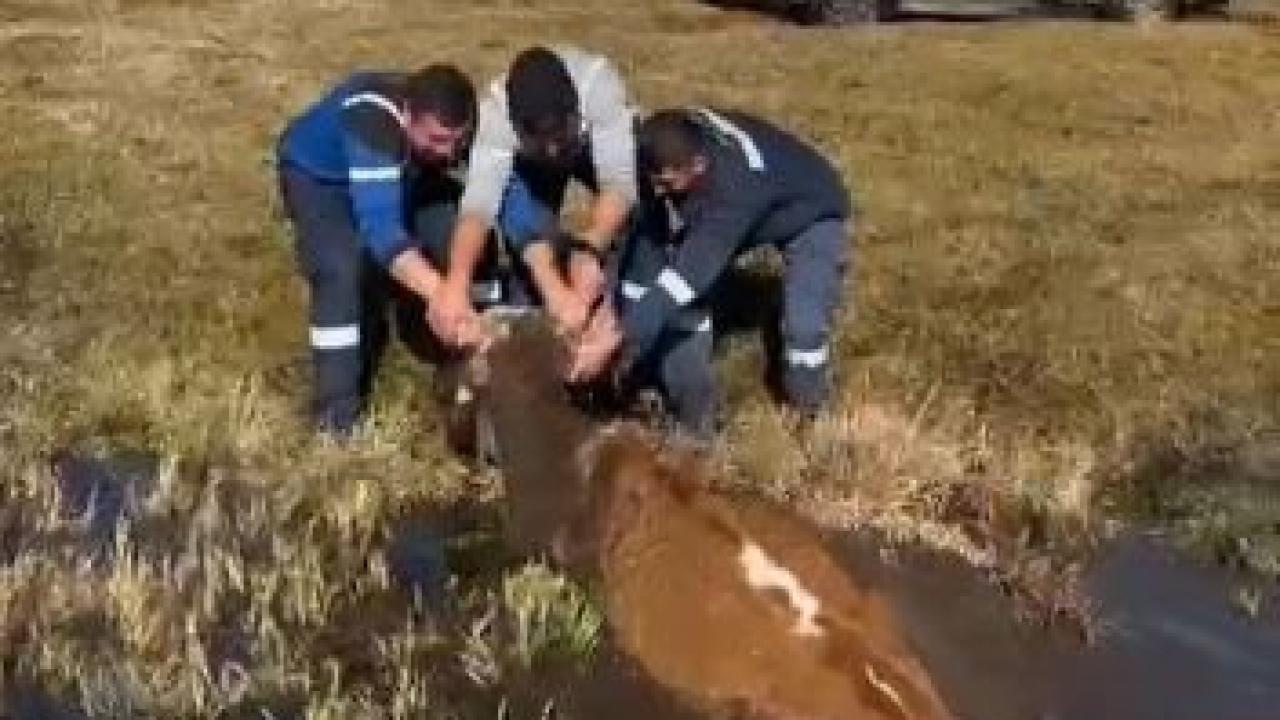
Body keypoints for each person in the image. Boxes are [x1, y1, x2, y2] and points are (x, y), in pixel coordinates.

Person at [570, 107, 854, 439]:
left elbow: (684, 281)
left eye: (668, 183)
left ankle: (811, 415)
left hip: (811, 213)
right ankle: (642, 377)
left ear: (698, 166)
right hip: (748, 194)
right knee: (647, 272)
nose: (659, 192)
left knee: (803, 326)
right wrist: (612, 314)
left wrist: (616, 339)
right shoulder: (664, 147)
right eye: (654, 180)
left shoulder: (737, 192)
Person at [276, 63, 478, 433]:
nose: (449, 153)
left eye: (457, 142)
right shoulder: (370, 120)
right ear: (407, 115)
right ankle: (335, 419)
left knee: (458, 234)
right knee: (340, 269)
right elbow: (383, 233)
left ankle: (456, 367)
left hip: (403, 170)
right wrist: (442, 293)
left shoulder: (441, 130)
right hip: (320, 180)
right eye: (436, 140)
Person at [428, 45, 639, 349]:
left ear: (574, 110)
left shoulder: (599, 87)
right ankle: (535, 312)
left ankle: (619, 305)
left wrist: (590, 248)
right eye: (539, 137)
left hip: (591, 149)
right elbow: (478, 209)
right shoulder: (496, 116)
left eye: (558, 134)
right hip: (531, 165)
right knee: (522, 210)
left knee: (632, 215)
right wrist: (456, 284)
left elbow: (619, 183)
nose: (553, 149)